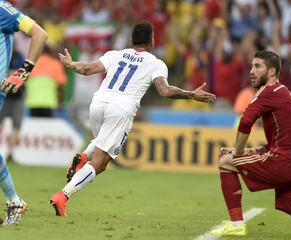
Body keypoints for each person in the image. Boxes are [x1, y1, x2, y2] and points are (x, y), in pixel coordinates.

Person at [50, 21, 216, 216]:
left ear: (132, 39)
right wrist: (191, 94)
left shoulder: (116, 54)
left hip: (98, 103)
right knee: (100, 162)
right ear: (152, 40)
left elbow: (86, 69)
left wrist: (70, 64)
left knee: (101, 153)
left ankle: (84, 156)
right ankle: (63, 195)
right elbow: (165, 90)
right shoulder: (155, 63)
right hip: (120, 110)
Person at [210, 50, 291, 240]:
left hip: (285, 162)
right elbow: (275, 144)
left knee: (225, 161)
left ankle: (236, 224)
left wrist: (237, 154)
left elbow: (245, 122)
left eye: (257, 66)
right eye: (251, 66)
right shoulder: (286, 93)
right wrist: (244, 151)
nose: (251, 71)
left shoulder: (268, 91)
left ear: (271, 72)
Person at [0, 0, 47, 225]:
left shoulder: (2, 9)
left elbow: (40, 34)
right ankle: (14, 200)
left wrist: (23, 72)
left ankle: (14, 200)